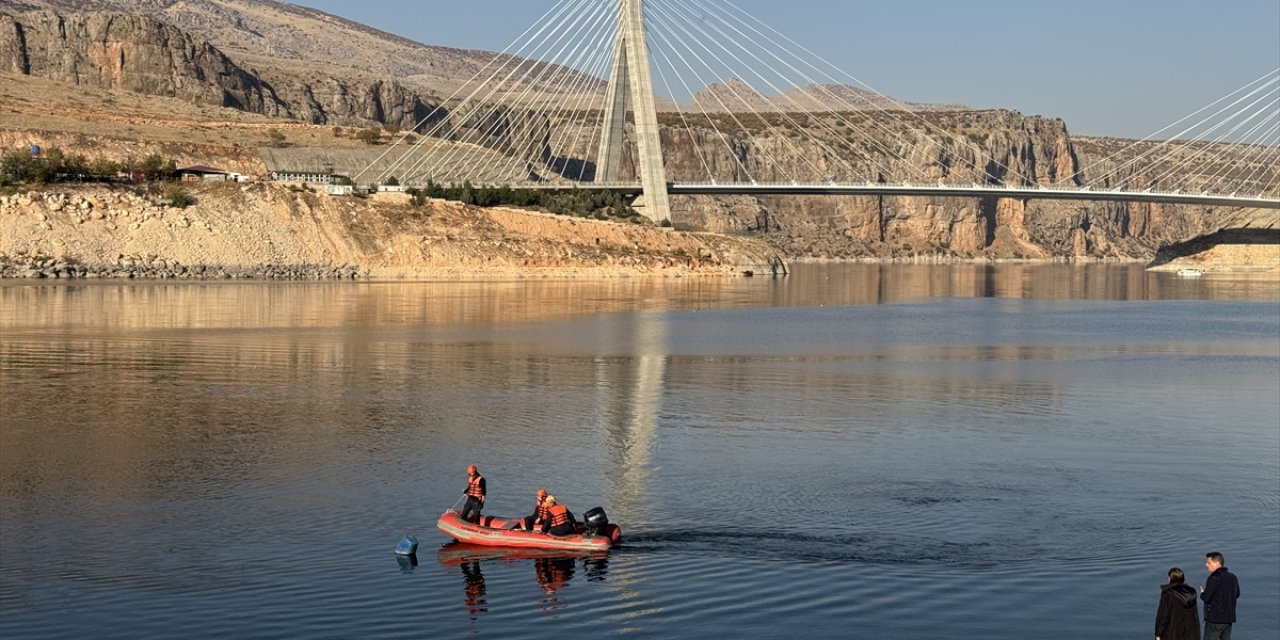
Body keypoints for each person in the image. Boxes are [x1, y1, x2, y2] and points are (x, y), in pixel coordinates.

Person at [1199, 551, 1240, 640]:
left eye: (1209, 563)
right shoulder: (1232, 577)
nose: (1206, 565)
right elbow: (1237, 594)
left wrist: (1202, 593)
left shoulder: (1213, 578)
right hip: (1228, 618)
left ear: (1217, 563)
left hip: (1215, 619)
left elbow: (1206, 598)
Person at [1154, 567, 1200, 640]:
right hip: (1190, 634)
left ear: (1170, 578)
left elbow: (1164, 615)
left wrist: (1158, 634)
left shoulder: (1168, 593)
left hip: (1172, 633)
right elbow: (1194, 616)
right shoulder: (1191, 592)